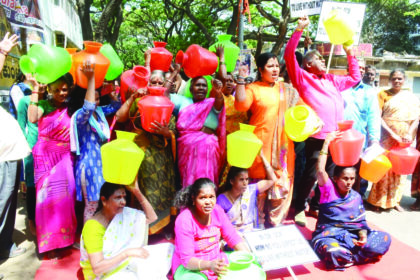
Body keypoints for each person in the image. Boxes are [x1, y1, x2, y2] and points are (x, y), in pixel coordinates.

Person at [284, 15, 360, 226]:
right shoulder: (303, 79)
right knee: (311, 174)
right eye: (318, 58)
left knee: (329, 175)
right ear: (308, 64)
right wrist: (299, 30)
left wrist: (349, 51)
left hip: (337, 138)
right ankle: (299, 208)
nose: (322, 60)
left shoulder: (332, 80)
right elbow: (289, 56)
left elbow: (355, 78)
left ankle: (317, 206)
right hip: (318, 137)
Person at [312, 131, 391, 270]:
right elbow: (320, 170)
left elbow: (360, 224)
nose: (349, 182)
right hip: (329, 236)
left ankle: (349, 257)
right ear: (335, 179)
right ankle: (357, 256)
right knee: (332, 251)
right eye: (345, 178)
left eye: (352, 179)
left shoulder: (356, 197)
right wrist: (327, 143)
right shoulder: (328, 190)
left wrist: (362, 237)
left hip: (352, 236)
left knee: (384, 238)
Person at [235, 52, 295, 227]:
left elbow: (301, 110)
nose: (275, 69)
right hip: (260, 148)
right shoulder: (253, 88)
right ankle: (256, 224)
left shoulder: (286, 89)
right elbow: (240, 105)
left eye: (276, 65)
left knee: (281, 184)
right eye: (270, 66)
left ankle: (275, 225)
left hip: (283, 149)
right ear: (261, 70)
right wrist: (240, 79)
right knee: (259, 187)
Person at [115, 68, 177, 235]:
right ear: (147, 83)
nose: (156, 85)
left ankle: (162, 227)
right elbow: (120, 117)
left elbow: (173, 131)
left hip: (162, 157)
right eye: (153, 82)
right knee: (145, 190)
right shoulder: (139, 100)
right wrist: (132, 98)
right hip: (141, 154)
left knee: (162, 191)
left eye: (160, 83)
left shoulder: (168, 104)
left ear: (164, 86)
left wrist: (166, 133)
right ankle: (144, 229)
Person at [80, 181, 174, 280]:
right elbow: (97, 269)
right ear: (104, 200)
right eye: (118, 198)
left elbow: (152, 217)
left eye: (124, 197)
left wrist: (137, 191)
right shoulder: (93, 227)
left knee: (168, 248)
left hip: (126, 262)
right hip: (104, 275)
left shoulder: (123, 214)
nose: (123, 202)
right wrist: (127, 253)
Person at [28, 71, 77, 256]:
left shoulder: (72, 106)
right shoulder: (44, 105)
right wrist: (35, 91)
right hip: (45, 159)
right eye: (56, 90)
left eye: (64, 89)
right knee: (46, 201)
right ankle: (48, 244)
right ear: (49, 88)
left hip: (64, 159)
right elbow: (32, 118)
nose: (61, 93)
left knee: (65, 199)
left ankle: (64, 239)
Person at [69, 61, 121, 223]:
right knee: (91, 205)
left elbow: (114, 107)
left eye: (99, 99)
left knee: (101, 204)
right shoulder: (80, 116)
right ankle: (87, 241)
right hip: (89, 167)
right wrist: (91, 79)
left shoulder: (98, 112)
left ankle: (99, 236)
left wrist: (113, 98)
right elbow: (88, 107)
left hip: (101, 166)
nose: (96, 102)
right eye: (93, 98)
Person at [172, 178, 249, 280]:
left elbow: (232, 237)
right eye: (203, 198)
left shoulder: (217, 211)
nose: (208, 202)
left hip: (215, 260)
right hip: (190, 268)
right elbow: (188, 260)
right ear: (193, 199)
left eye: (211, 197)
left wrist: (247, 256)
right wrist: (209, 265)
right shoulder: (184, 220)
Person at [367, 69, 420, 211]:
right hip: (387, 136)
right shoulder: (383, 95)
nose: (397, 81)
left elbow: (416, 117)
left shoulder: (410, 97)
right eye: (394, 78)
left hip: (404, 139)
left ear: (404, 80)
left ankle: (395, 201)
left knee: (399, 169)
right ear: (390, 80)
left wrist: (409, 133)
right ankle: (377, 201)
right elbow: (378, 117)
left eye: (400, 79)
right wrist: (392, 134)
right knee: (384, 167)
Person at [0, 32, 30, 260]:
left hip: (11, 154)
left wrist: (3, 52)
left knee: (8, 200)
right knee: (2, 201)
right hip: (3, 157)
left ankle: (4, 245)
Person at [171, 75, 226, 187]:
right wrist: (175, 73)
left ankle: (207, 196)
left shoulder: (211, 102)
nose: (201, 88)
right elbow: (165, 96)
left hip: (208, 151)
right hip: (187, 149)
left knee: (206, 182)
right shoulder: (183, 101)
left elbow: (219, 101)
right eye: (197, 85)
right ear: (191, 89)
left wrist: (218, 91)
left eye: (204, 85)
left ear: (207, 89)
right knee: (189, 181)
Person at [342, 60, 381, 197]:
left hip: (359, 141)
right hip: (339, 139)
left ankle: (355, 201)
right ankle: (333, 201)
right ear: (348, 68)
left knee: (357, 174)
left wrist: (374, 140)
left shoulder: (369, 92)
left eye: (363, 68)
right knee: (336, 173)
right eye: (358, 67)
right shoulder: (339, 86)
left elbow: (373, 116)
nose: (361, 70)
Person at [16, 76, 47, 235]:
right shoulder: (24, 102)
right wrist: (24, 149)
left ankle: (44, 218)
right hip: (31, 149)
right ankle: (31, 221)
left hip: (48, 150)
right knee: (31, 185)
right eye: (39, 82)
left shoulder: (50, 102)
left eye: (45, 82)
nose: (42, 85)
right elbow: (21, 126)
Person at [216, 161, 276, 234]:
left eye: (247, 179)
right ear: (232, 181)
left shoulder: (251, 190)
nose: (245, 183)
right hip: (232, 236)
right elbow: (218, 223)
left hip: (251, 233)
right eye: (241, 180)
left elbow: (273, 180)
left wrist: (263, 159)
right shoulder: (222, 199)